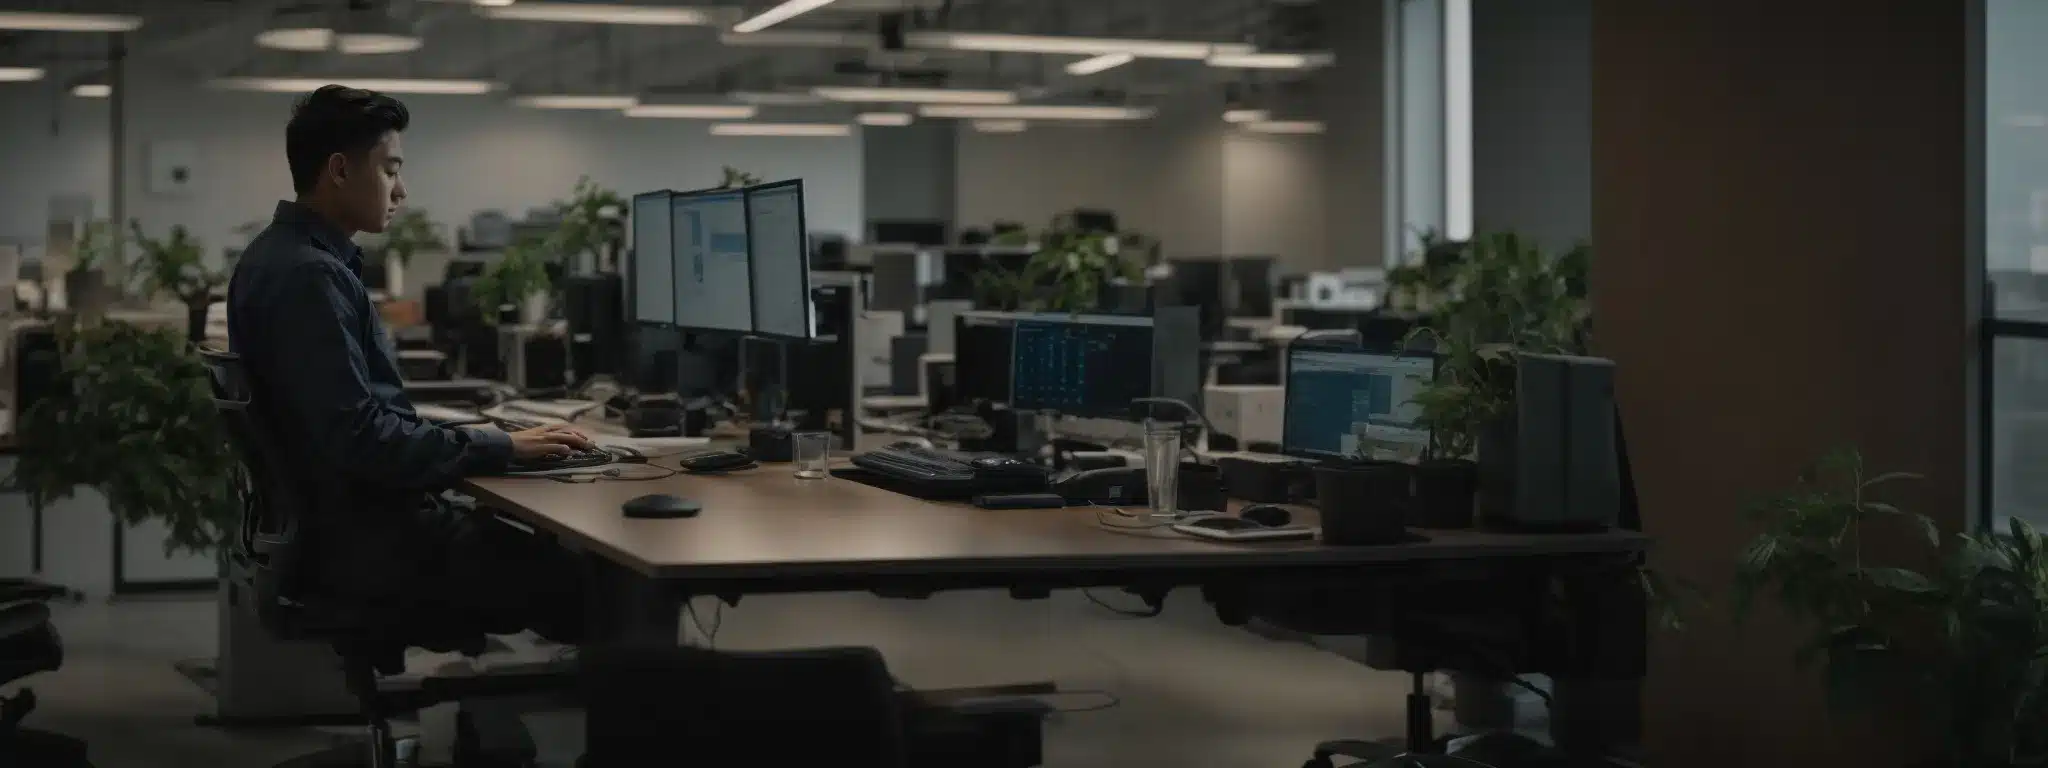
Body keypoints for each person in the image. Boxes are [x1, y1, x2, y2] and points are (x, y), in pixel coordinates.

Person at [227, 84, 591, 644]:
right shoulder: (310, 276)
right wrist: (498, 445)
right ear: (339, 170)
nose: (401, 189)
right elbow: (361, 437)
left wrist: (483, 440)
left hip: (341, 534)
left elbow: (350, 421)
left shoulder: (275, 257)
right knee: (594, 581)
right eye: (390, 169)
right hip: (372, 545)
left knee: (537, 545)